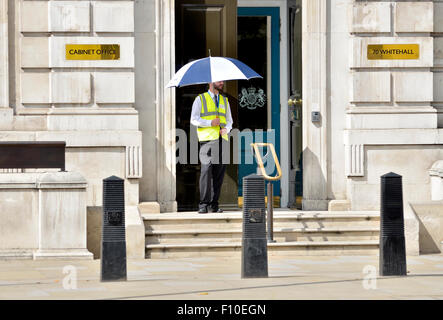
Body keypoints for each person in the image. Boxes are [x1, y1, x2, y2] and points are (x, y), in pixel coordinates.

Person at [190, 81, 233, 214]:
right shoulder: (200, 99)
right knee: (206, 171)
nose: (222, 83)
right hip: (207, 140)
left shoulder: (225, 100)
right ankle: (203, 204)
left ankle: (213, 204)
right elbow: (194, 119)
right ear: (210, 82)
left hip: (222, 139)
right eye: (219, 80)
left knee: (219, 173)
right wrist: (210, 122)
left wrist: (227, 129)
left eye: (222, 80)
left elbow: (229, 120)